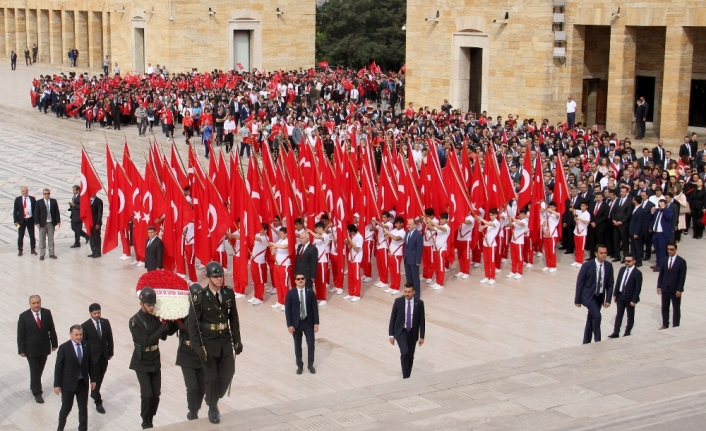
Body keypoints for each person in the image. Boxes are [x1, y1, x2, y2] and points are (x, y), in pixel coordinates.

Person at [186, 262, 243, 424]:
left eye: (221, 276)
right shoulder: (200, 297)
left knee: (229, 372)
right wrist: (198, 347)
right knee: (211, 377)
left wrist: (237, 340)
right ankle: (213, 407)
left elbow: (234, 318)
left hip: (224, 341)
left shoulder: (228, 294)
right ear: (208, 278)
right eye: (215, 276)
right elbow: (193, 323)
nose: (219, 279)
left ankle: (212, 397)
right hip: (208, 343)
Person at [130, 287, 173, 429]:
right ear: (141, 303)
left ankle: (150, 416)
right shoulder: (135, 321)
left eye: (153, 304)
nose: (151, 307)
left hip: (154, 359)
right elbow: (145, 341)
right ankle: (145, 419)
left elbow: (164, 337)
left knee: (156, 394)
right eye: (149, 304)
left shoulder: (155, 318)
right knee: (147, 394)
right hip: (141, 361)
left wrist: (169, 324)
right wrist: (161, 329)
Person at [53, 325, 96, 431]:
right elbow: (58, 367)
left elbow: (90, 363)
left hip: (82, 383)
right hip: (68, 384)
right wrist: (57, 384)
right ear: (70, 334)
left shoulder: (86, 345)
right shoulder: (64, 348)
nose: (79, 337)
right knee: (66, 408)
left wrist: (93, 379)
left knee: (83, 409)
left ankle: (82, 429)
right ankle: (60, 428)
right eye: (76, 335)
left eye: (80, 334)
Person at [17, 294, 58, 403]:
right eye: (34, 303)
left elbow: (51, 328)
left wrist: (54, 343)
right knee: (34, 370)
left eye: (38, 302)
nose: (36, 305)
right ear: (30, 304)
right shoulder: (24, 316)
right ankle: (37, 392)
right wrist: (21, 350)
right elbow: (20, 334)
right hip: (31, 349)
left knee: (40, 368)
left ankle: (33, 384)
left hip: (44, 347)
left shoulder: (46, 313)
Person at [176, 283, 206, 420]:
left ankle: (195, 408)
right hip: (186, 352)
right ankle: (192, 411)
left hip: (200, 352)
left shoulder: (206, 312)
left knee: (202, 387)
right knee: (192, 386)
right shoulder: (182, 311)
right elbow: (170, 328)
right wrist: (173, 323)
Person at [574, 244, 614, 344]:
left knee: (591, 318)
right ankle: (598, 340)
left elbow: (610, 284)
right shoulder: (587, 266)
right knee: (597, 316)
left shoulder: (608, 266)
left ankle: (586, 342)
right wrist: (577, 300)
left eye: (605, 253)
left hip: (599, 296)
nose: (604, 255)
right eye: (601, 253)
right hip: (588, 296)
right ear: (596, 254)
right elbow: (580, 283)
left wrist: (608, 299)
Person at [80, 303, 113, 414]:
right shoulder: (85, 326)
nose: (97, 315)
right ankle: (97, 400)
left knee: (100, 377)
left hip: (103, 355)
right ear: (90, 313)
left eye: (98, 312)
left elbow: (109, 338)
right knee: (95, 378)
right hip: (92, 358)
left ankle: (94, 392)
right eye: (95, 313)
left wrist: (110, 352)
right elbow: (83, 343)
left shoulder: (105, 322)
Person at [285, 271, 320, 374]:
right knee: (297, 345)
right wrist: (289, 325)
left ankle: (310, 365)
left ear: (305, 280)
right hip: (297, 323)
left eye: (302, 279)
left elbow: (314, 308)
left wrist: (316, 323)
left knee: (310, 343)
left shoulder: (310, 292)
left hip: (308, 322)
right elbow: (288, 310)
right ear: (295, 281)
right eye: (298, 279)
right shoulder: (291, 293)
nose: (300, 280)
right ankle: (299, 365)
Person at [388, 283, 425, 379]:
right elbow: (393, 318)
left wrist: (422, 336)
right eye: (405, 291)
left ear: (413, 292)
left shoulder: (419, 303)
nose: (406, 294)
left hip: (413, 333)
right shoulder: (398, 301)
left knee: (411, 355)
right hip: (401, 332)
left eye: (409, 292)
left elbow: (422, 320)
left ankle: (408, 374)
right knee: (405, 352)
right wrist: (391, 335)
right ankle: (406, 376)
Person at [608, 254, 642, 338]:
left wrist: (634, 300)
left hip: (630, 297)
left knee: (630, 316)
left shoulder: (637, 273)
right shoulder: (622, 269)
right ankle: (616, 332)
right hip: (620, 296)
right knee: (619, 314)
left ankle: (627, 332)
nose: (626, 263)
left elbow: (638, 288)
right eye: (625, 261)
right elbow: (618, 282)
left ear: (634, 261)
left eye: (629, 261)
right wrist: (615, 294)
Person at [657, 243, 687, 329]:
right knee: (665, 307)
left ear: (676, 249)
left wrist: (680, 290)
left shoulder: (681, 261)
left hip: (675, 289)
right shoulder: (664, 260)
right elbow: (661, 274)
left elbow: (682, 277)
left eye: (671, 249)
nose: (669, 251)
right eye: (668, 249)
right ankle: (665, 324)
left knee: (676, 308)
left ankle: (676, 325)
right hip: (665, 288)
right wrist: (659, 286)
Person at [35, 188, 60, 260]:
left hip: (51, 223)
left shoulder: (53, 201)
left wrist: (58, 221)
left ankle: (51, 253)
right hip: (42, 223)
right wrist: (37, 222)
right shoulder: (39, 202)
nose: (47, 195)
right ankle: (42, 254)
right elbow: (36, 213)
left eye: (48, 193)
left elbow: (56, 211)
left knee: (51, 239)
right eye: (45, 193)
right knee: (42, 239)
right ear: (43, 194)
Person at [650, 199, 673, 272]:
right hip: (655, 233)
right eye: (659, 205)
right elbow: (650, 219)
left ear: (665, 205)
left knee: (662, 250)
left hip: (663, 234)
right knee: (657, 250)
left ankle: (661, 266)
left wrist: (664, 209)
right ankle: (658, 263)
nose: (659, 206)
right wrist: (651, 212)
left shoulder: (669, 211)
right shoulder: (656, 211)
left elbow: (668, 217)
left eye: (661, 205)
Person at [402, 218, 423, 298]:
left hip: (414, 260)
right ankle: (409, 292)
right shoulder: (407, 232)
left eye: (410, 224)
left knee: (415, 278)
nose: (408, 226)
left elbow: (419, 248)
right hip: (407, 258)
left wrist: (418, 260)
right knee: (408, 277)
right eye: (408, 224)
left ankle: (417, 294)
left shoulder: (418, 235)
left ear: (415, 225)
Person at [13, 186, 37, 256]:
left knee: (32, 235)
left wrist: (36, 220)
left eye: (26, 190)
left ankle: (33, 249)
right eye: (23, 191)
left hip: (30, 220)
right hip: (21, 221)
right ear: (21, 192)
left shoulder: (32, 199)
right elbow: (15, 211)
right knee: (20, 236)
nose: (25, 192)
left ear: (28, 191)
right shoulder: (18, 199)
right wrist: (15, 221)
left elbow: (35, 210)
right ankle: (20, 250)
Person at [344, 224, 363, 301]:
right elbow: (345, 242)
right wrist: (348, 240)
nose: (348, 233)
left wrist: (350, 242)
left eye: (348, 231)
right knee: (350, 277)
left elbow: (357, 248)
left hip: (356, 259)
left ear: (351, 231)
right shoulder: (352, 236)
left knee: (356, 277)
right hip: (350, 258)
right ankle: (351, 293)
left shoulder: (359, 237)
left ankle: (357, 295)